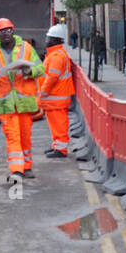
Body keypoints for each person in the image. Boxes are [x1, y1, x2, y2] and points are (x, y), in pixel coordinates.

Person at [0, 18, 45, 182]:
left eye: (9, 30)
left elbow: (40, 68)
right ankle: (16, 170)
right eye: (2, 31)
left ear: (13, 31)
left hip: (24, 101)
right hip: (6, 102)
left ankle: (27, 166)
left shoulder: (26, 48)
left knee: (25, 135)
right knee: (13, 136)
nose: (6, 33)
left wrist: (29, 71)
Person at [39, 23, 75, 158]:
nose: (46, 40)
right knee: (55, 124)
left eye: (48, 38)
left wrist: (43, 92)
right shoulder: (55, 55)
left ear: (55, 39)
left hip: (56, 97)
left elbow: (51, 77)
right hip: (56, 97)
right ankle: (57, 146)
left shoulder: (56, 57)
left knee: (59, 124)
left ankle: (61, 149)